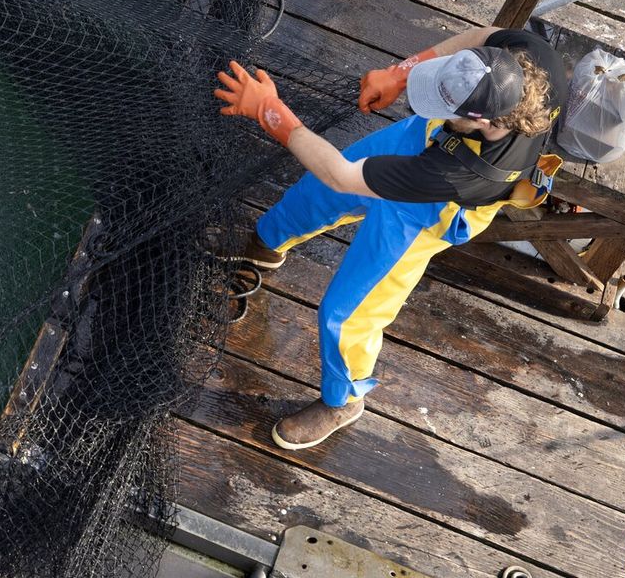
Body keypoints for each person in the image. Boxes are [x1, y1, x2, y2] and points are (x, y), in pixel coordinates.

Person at [212, 26, 567, 450]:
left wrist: (270, 110)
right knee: (313, 193)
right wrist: (399, 74)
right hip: (428, 138)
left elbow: (341, 176)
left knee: (347, 315)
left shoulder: (466, 173)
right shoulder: (531, 56)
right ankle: (266, 245)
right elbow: (486, 34)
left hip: (432, 209)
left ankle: (342, 401)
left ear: (482, 120)